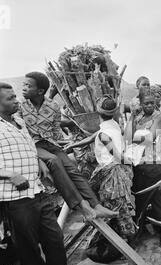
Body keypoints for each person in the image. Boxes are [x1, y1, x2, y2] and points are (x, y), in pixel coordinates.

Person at [0, 82, 81, 265]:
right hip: (16, 201)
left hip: (38, 192)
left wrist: (40, 161)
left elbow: (28, 148)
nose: (17, 100)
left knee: (55, 245)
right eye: (10, 99)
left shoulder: (17, 121)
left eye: (15, 96)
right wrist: (9, 175)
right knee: (30, 255)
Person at [19, 71, 116, 220]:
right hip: (33, 144)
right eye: (24, 84)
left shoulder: (53, 106)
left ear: (40, 91)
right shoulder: (20, 107)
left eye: (28, 85)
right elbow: (21, 132)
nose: (23, 87)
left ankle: (97, 206)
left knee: (72, 169)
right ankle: (81, 204)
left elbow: (55, 130)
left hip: (50, 143)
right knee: (54, 161)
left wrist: (67, 143)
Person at [125, 88, 161, 247]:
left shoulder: (159, 117)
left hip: (153, 163)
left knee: (158, 197)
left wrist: (133, 147)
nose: (150, 105)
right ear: (141, 104)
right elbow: (128, 137)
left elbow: (150, 137)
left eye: (152, 102)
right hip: (139, 163)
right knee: (140, 198)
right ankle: (140, 227)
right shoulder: (137, 117)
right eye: (146, 103)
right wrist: (131, 115)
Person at [88, 95, 137, 240]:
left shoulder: (104, 134)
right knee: (121, 206)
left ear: (98, 113)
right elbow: (94, 137)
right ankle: (124, 238)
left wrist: (130, 161)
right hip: (120, 172)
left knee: (115, 208)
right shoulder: (114, 125)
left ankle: (122, 241)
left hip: (112, 173)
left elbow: (117, 156)